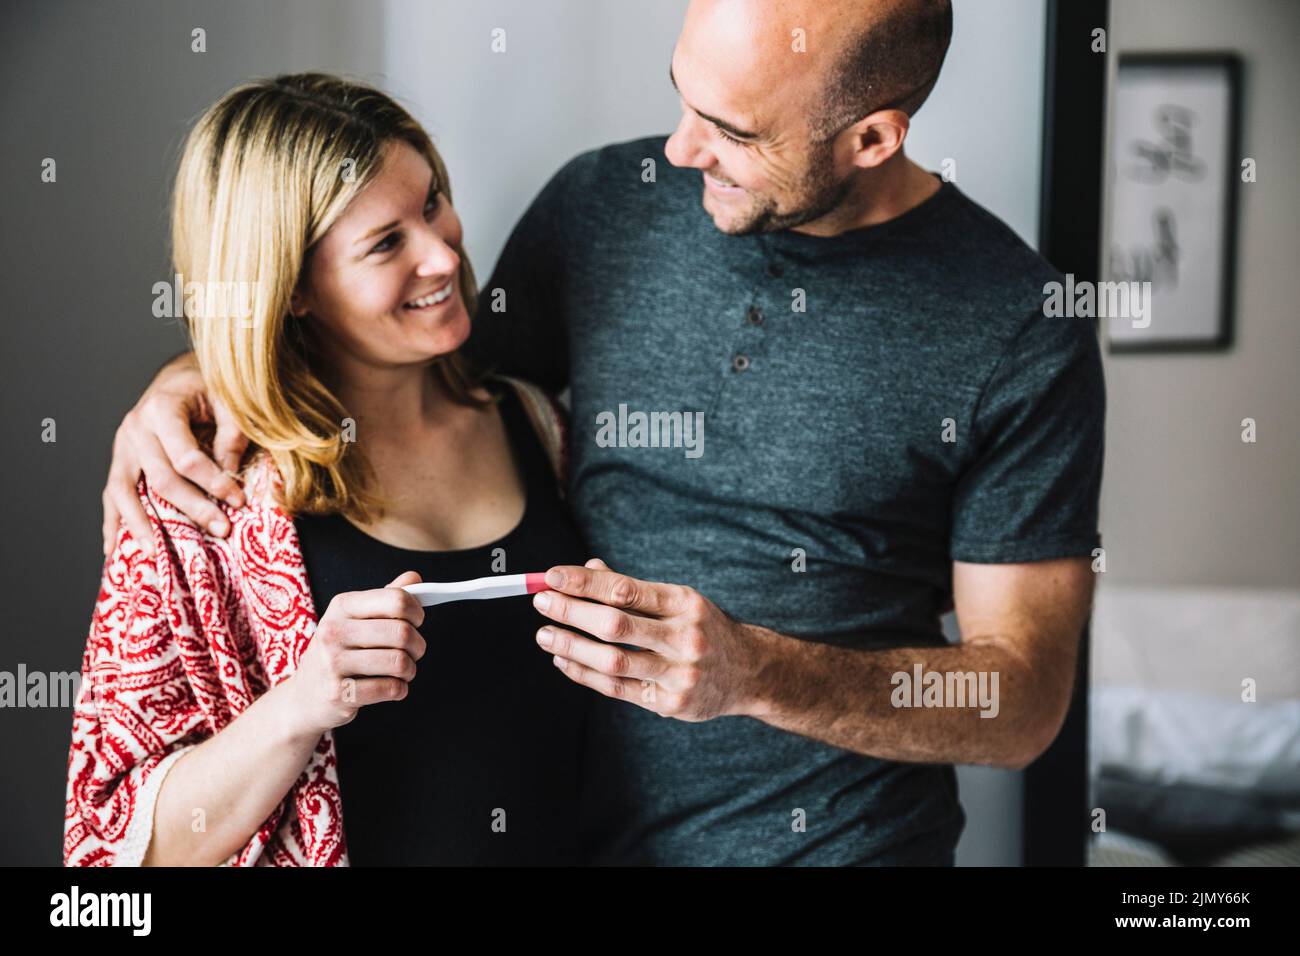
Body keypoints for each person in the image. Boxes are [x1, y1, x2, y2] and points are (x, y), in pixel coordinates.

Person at [100, 0, 1105, 866]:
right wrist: (195, 377)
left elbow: (1019, 701)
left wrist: (755, 671)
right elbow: (420, 368)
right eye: (680, 94)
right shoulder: (600, 209)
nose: (677, 150)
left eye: (732, 129)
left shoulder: (1017, 328)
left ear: (871, 140)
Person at [65, 73, 588, 867]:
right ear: (295, 289)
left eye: (434, 200)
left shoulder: (539, 427)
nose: (444, 253)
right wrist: (301, 705)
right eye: (386, 243)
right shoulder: (196, 497)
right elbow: (106, 858)